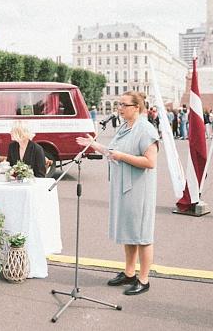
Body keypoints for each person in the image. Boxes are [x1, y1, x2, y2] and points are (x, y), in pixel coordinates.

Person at [76, 91, 159, 296]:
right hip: (123, 188)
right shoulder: (124, 128)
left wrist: (122, 156)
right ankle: (129, 274)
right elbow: (113, 151)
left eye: (123, 105)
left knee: (142, 235)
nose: (119, 108)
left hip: (139, 190)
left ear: (136, 107)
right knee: (128, 233)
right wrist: (93, 145)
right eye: (118, 104)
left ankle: (144, 279)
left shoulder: (145, 129)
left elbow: (150, 162)